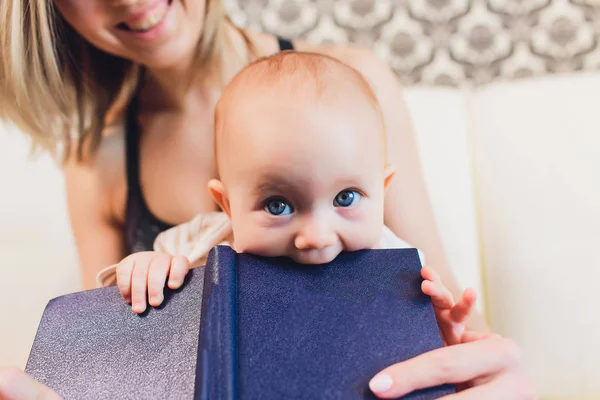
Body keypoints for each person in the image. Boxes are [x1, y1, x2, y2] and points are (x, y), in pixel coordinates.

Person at [0, 1, 536, 399]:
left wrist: (465, 352)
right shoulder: (98, 157)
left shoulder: (351, 90)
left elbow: (443, 308)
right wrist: (139, 275)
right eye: (278, 204)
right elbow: (109, 356)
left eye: (345, 197)